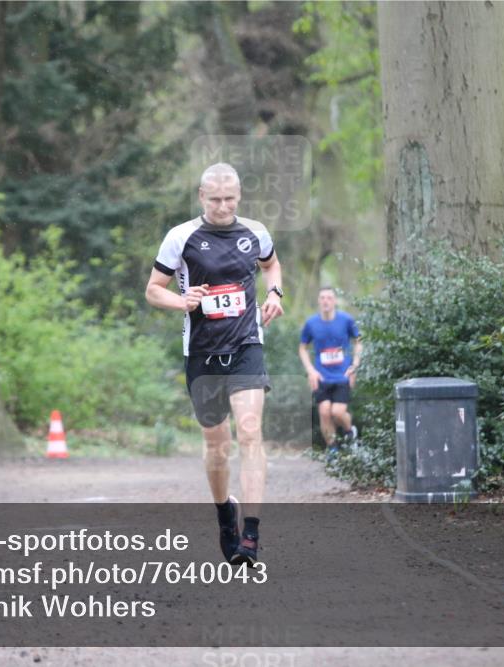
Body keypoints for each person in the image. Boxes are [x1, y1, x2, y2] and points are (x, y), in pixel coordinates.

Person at [145, 163, 283, 567]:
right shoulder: (181, 237)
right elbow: (154, 290)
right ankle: (225, 512)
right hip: (202, 353)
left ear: (239, 197)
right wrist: (182, 302)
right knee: (217, 447)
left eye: (230, 199)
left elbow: (271, 264)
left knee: (250, 431)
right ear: (201, 197)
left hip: (246, 344)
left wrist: (275, 292)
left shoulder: (255, 232)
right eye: (215, 199)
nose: (223, 206)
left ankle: (251, 535)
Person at [298, 286, 361, 457]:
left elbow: (359, 341)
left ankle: (350, 431)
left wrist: (354, 365)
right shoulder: (311, 323)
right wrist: (310, 371)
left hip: (342, 375)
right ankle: (333, 450)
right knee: (324, 412)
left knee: (337, 412)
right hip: (321, 376)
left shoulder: (346, 320)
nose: (325, 300)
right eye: (322, 297)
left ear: (334, 301)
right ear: (319, 301)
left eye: (329, 297)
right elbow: (302, 348)